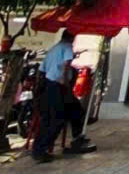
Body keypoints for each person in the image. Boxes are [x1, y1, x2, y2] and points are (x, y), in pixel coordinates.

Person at [32, 30, 92, 163]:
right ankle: (41, 150)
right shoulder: (67, 47)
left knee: (51, 119)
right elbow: (66, 65)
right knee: (57, 119)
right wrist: (65, 83)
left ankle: (38, 149)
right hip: (58, 86)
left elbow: (42, 69)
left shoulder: (53, 49)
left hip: (48, 85)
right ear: (72, 37)